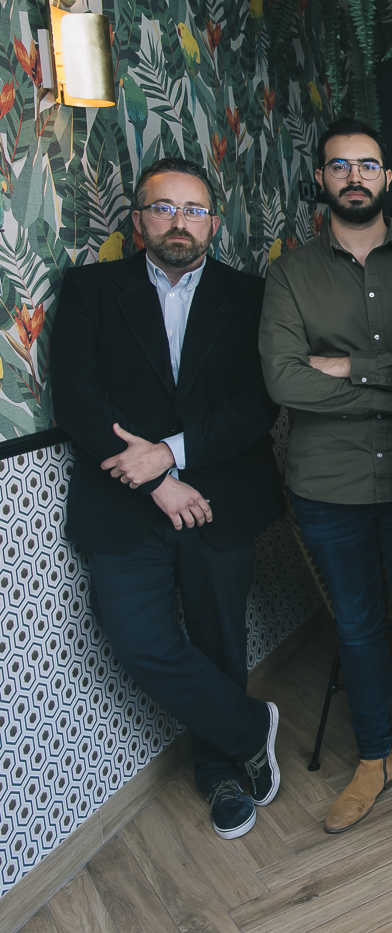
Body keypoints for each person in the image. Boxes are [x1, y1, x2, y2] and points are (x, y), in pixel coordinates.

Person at [51, 157, 282, 839]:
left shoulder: (251, 296)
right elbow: (75, 398)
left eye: (195, 210)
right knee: (137, 637)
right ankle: (250, 726)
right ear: (138, 220)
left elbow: (257, 404)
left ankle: (220, 774)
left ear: (214, 221)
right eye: (164, 208)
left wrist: (173, 453)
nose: (180, 222)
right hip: (121, 500)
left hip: (220, 494)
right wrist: (155, 477)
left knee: (218, 639)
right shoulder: (91, 289)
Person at [260, 118, 392, 835]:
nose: (354, 176)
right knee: (354, 629)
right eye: (339, 165)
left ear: (387, 178)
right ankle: (376, 757)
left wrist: (349, 366)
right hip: (328, 486)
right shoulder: (291, 273)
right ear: (320, 179)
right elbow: (285, 382)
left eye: (367, 165)